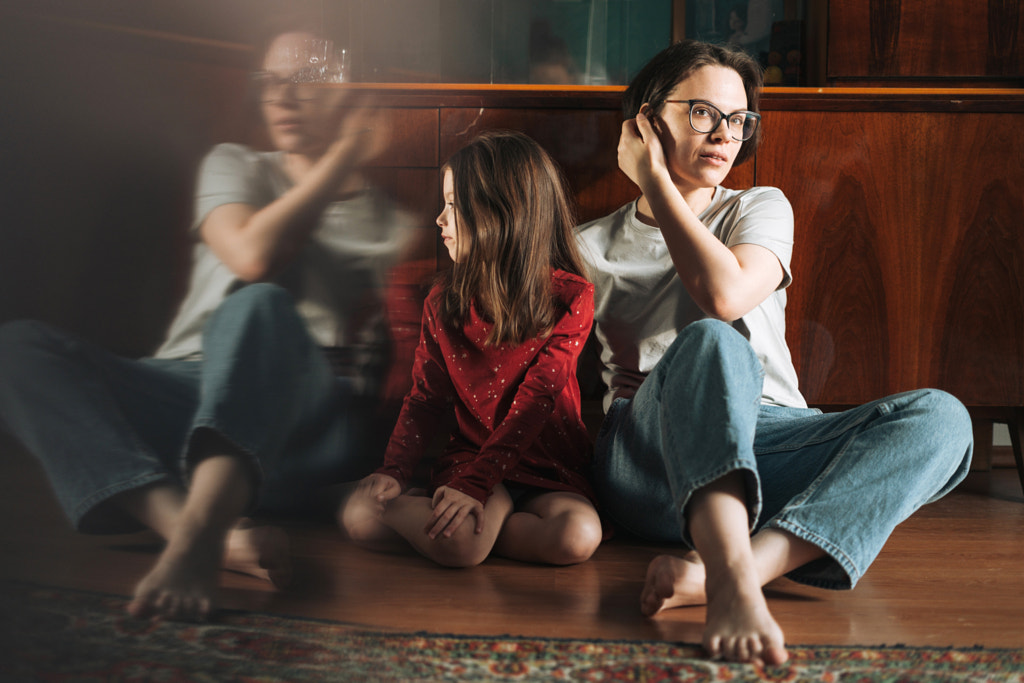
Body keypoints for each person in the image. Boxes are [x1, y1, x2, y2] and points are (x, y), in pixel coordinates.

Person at [0, 28, 421, 622]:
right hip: (186, 391)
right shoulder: (235, 164)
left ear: (348, 94)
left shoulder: (388, 222)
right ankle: (201, 534)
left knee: (258, 306)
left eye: (303, 83)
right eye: (271, 83)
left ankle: (197, 533)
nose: (280, 98)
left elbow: (393, 356)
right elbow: (252, 254)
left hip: (301, 416)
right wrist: (341, 160)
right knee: (17, 350)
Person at [575, 40, 973, 665]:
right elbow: (714, 312)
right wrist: (651, 177)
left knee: (943, 417)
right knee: (712, 341)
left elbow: (726, 290)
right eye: (702, 112)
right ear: (648, 120)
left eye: (738, 120)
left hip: (774, 438)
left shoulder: (760, 207)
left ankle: (733, 572)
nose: (725, 135)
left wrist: (658, 179)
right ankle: (733, 575)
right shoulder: (587, 244)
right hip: (652, 453)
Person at [340, 131, 603, 568]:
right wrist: (394, 470)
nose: (439, 221)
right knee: (460, 546)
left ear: (502, 213)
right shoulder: (443, 303)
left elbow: (536, 399)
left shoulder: (571, 297)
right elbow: (424, 399)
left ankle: (452, 521)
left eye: (452, 207)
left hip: (548, 466)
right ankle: (387, 508)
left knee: (577, 537)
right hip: (475, 458)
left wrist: (476, 488)